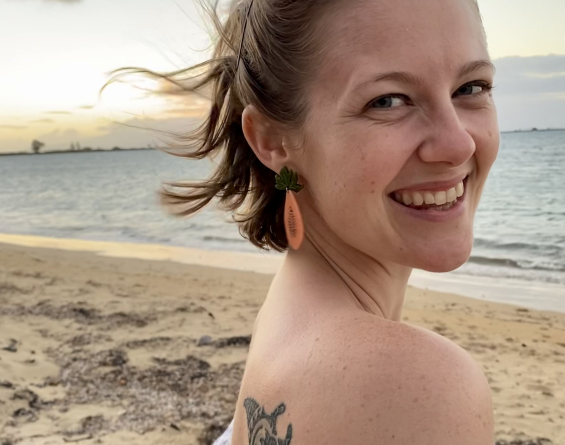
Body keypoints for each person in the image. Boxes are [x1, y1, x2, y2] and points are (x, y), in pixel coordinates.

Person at [147, 0, 500, 442]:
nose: (457, 144)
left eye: (471, 88)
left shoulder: (289, 316)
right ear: (273, 140)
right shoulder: (408, 385)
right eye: (387, 100)